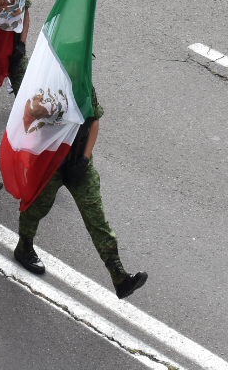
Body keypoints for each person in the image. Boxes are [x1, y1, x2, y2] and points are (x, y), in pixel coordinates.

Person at [12, 85, 148, 301]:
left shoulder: (85, 85)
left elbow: (94, 121)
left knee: (96, 218)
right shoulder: (48, 83)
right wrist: (50, 107)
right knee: (36, 206)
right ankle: (24, 246)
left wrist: (84, 158)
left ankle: (119, 276)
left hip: (79, 163)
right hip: (50, 163)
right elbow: (30, 113)